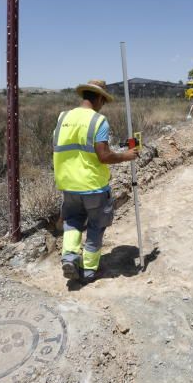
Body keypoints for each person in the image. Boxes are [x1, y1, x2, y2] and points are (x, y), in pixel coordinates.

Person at [53, 80, 138, 283]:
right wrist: (126, 156)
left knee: (72, 221)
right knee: (96, 226)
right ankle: (90, 270)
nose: (103, 105)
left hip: (68, 183)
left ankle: (70, 257)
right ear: (99, 98)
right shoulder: (98, 120)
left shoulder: (63, 117)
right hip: (92, 186)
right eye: (104, 101)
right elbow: (104, 155)